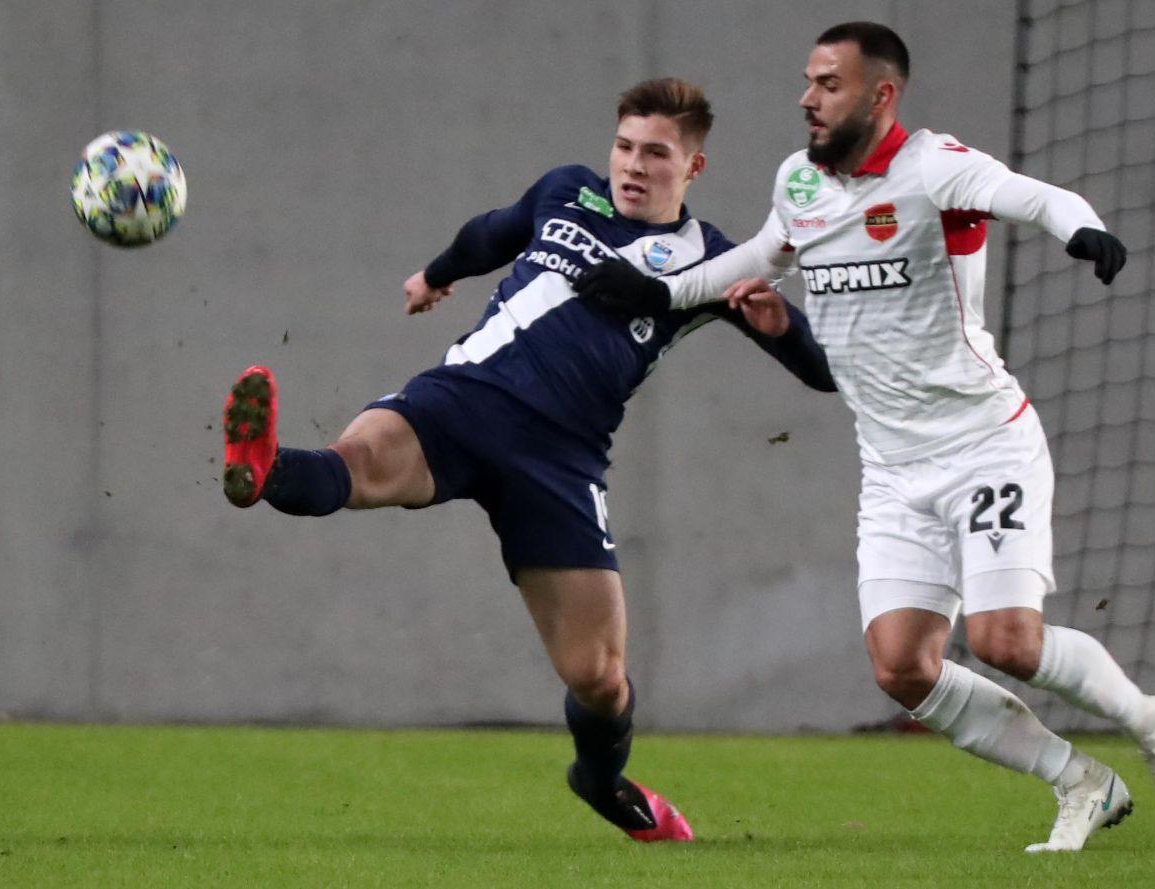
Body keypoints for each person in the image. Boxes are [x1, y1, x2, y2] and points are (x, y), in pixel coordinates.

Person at [574, 24, 1155, 853]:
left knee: (1006, 641)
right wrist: (655, 291)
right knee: (902, 667)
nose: (807, 98)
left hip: (983, 444)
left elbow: (1033, 196)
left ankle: (1154, 726)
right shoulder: (800, 180)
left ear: (881, 94)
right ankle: (1079, 779)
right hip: (892, 466)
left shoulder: (935, 167)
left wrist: (1080, 229)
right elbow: (760, 256)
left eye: (828, 84)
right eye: (809, 80)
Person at [220, 78, 836, 843]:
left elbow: (822, 370)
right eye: (624, 146)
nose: (632, 164)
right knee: (358, 461)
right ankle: (265, 467)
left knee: (598, 676)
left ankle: (600, 780)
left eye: (655, 153)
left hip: (561, 460)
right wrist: (437, 273)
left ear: (693, 166)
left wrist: (782, 327)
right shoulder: (566, 191)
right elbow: (492, 232)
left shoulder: (711, 261)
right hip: (464, 398)